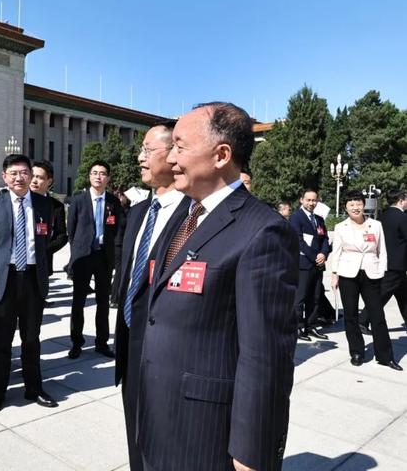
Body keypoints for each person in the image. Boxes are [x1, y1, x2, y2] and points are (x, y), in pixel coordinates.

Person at [141, 103, 297, 471]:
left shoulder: (263, 230)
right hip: (157, 415)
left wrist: (251, 451)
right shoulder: (183, 214)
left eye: (180, 146)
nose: (171, 158)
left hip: (206, 433)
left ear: (221, 155)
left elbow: (265, 355)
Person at [114, 120, 187, 471]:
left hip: (168, 353)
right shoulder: (140, 211)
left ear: (174, 154)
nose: (139, 158)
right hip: (130, 344)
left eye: (147, 150)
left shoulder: (194, 214)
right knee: (136, 438)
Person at [0, 154, 57, 414]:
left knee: (32, 338)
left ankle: (34, 388)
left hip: (34, 278)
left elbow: (48, 239)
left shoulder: (44, 205)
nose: (20, 177)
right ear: (4, 176)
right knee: (2, 340)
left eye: (25, 172)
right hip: (6, 278)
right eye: (14, 173)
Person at [330, 191, 401, 370]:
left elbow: (382, 250)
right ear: (345, 207)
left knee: (377, 315)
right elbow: (336, 252)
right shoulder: (341, 227)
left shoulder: (375, 225)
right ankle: (357, 352)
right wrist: (334, 273)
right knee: (351, 316)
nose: (355, 207)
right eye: (351, 204)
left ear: (364, 205)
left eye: (358, 203)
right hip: (348, 274)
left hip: (372, 273)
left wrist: (381, 270)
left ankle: (385, 356)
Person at [66, 160, 125, 359]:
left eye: (102, 173)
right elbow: (71, 231)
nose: (98, 176)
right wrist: (75, 254)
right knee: (78, 302)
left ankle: (102, 342)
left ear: (108, 178)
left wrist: (116, 254)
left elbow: (118, 229)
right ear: (89, 176)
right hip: (83, 257)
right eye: (94, 173)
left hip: (103, 257)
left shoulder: (113, 201)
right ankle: (76, 342)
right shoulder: (78, 200)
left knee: (102, 302)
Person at [359, 189, 407, 332]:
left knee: (404, 295)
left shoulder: (381, 217)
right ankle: (362, 320)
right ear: (401, 201)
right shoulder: (403, 218)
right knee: (381, 294)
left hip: (386, 261)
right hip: (397, 264)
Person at [290, 189, 330, 341]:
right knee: (300, 297)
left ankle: (311, 325)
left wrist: (324, 254)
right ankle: (299, 326)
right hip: (304, 264)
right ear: (301, 200)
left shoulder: (319, 219)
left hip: (318, 265)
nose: (311, 203)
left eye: (314, 200)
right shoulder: (296, 218)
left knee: (315, 296)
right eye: (308, 200)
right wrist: (315, 256)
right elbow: (298, 241)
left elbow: (324, 238)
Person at [30, 160, 68, 281]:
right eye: (32, 176)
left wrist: (43, 250)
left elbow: (61, 236)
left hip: (43, 262)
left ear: (49, 181)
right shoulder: (20, 202)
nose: (34, 180)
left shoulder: (56, 206)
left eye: (39, 177)